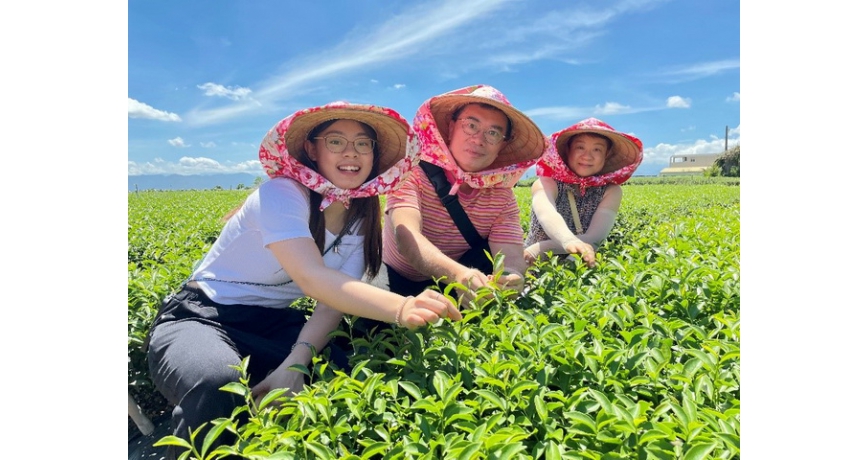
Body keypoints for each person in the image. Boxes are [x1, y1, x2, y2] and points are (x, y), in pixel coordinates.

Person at [146, 101, 461, 458]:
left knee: (338, 369)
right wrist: (403, 306)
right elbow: (313, 279)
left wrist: (295, 365)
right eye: (336, 141)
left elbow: (332, 301)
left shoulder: (361, 211)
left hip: (271, 322)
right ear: (312, 148)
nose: (351, 153)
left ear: (374, 154)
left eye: (362, 143)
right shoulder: (283, 193)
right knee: (218, 383)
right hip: (201, 317)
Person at [380, 84, 545, 303]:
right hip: (397, 275)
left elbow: (511, 256)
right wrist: (459, 275)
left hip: (456, 279)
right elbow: (407, 237)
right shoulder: (411, 172)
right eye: (471, 125)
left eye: (493, 133)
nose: (478, 139)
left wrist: (512, 276)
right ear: (451, 128)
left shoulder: (502, 197)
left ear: (501, 146)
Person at [524, 117, 643, 267]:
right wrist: (567, 241)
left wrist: (568, 256)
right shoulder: (547, 182)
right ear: (568, 151)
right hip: (533, 262)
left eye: (597, 149)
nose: (587, 156)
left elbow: (595, 237)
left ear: (606, 155)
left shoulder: (610, 191)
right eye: (580, 147)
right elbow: (547, 214)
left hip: (582, 263)